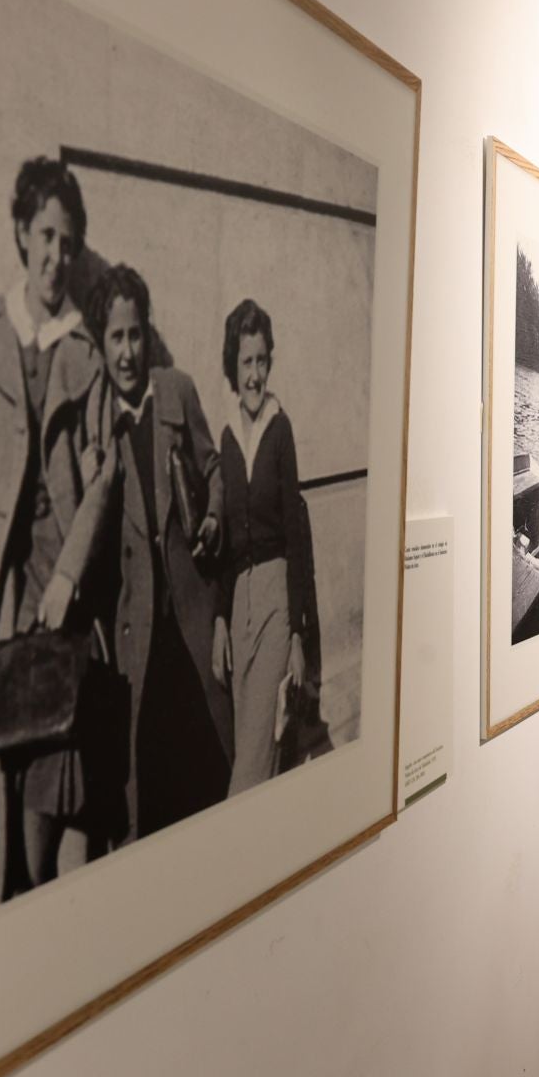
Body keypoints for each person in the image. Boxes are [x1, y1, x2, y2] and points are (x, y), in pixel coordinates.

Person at [0, 157, 117, 904]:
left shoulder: (83, 352)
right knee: (9, 767)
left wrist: (69, 575)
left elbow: (104, 476)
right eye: (46, 237)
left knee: (55, 772)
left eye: (69, 241)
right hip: (6, 590)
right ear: (22, 234)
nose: (57, 256)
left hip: (61, 591)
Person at [86, 265, 233, 842]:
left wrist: (215, 514)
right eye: (115, 338)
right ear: (101, 344)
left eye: (134, 335)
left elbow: (213, 466)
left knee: (208, 764)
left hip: (190, 610)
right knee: (150, 781)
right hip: (136, 628)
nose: (127, 352)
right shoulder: (97, 420)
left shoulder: (177, 390)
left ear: (147, 333)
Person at [214, 298, 319, 792]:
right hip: (239, 605)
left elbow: (296, 538)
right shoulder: (228, 437)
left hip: (277, 597)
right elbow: (223, 542)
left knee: (249, 768)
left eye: (261, 361)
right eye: (246, 362)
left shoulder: (281, 429)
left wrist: (298, 634)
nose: (254, 374)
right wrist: (219, 621)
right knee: (253, 746)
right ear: (233, 367)